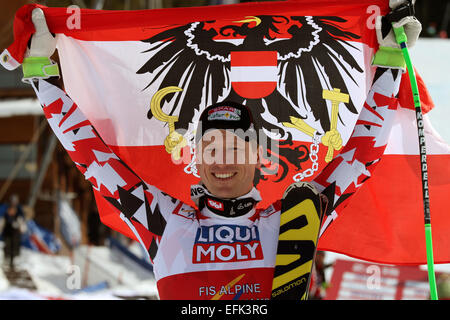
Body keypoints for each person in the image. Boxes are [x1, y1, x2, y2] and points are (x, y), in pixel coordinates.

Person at [17, 1, 421, 299]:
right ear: (196, 159)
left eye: (234, 148)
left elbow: (358, 157)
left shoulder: (297, 217)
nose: (221, 160)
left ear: (260, 157)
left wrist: (388, 63)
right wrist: (41, 73)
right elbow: (93, 159)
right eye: (210, 148)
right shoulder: (163, 222)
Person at [0, 195, 26, 270]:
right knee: (8, 245)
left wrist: (20, 224)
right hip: (7, 230)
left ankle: (14, 260)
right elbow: (2, 218)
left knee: (15, 245)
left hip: (16, 232)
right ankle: (7, 260)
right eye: (13, 201)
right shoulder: (5, 208)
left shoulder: (19, 209)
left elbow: (22, 218)